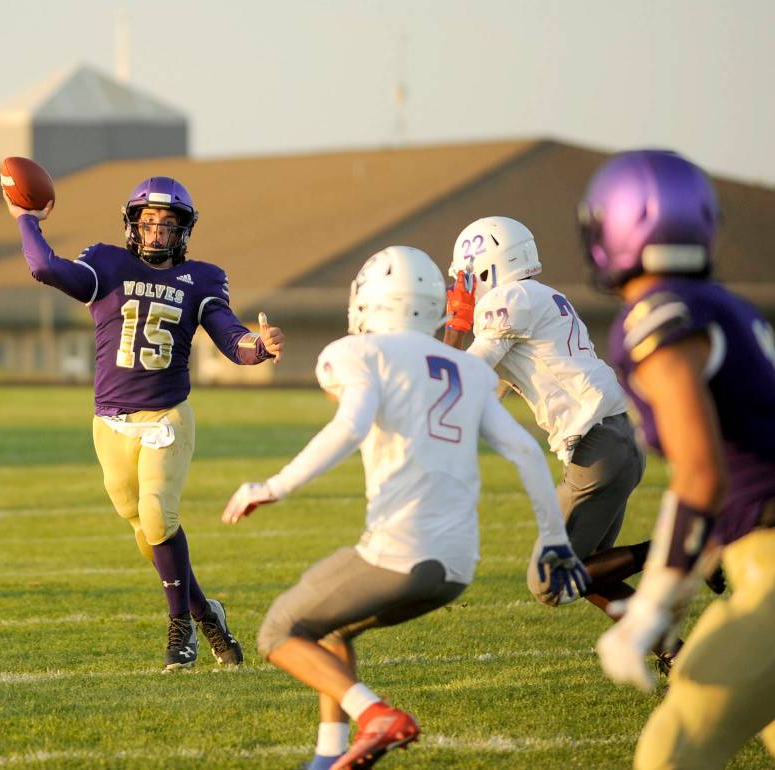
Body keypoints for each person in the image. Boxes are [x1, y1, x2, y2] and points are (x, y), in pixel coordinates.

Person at [222, 246, 588, 770]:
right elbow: (527, 452)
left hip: (399, 554)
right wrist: (554, 539)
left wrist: (274, 486)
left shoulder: (358, 353)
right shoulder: (467, 368)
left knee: (278, 631)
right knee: (331, 625)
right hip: (458, 566)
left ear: (367, 299)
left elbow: (350, 425)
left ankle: (375, 716)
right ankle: (328, 756)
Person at [3, 176, 284, 672]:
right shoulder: (107, 264)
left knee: (158, 515)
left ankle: (180, 631)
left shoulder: (201, 279)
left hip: (167, 418)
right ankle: (207, 613)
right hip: (110, 424)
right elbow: (44, 266)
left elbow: (231, 337)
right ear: (133, 224)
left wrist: (259, 347)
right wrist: (25, 217)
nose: (156, 232)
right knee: (145, 532)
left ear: (184, 230)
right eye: (148, 221)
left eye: (167, 224)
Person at [582, 149, 775, 769]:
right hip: (753, 559)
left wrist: (652, 605)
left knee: (672, 752)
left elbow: (701, 476)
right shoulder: (732, 308)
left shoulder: (660, 315)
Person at [439, 217, 673, 660]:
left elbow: (458, 376)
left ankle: (684, 547)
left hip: (597, 447)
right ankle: (674, 653)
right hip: (619, 439)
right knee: (592, 574)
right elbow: (488, 391)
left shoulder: (506, 301)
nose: (463, 287)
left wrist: (457, 321)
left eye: (467, 277)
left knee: (549, 582)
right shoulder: (542, 297)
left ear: (486, 267)